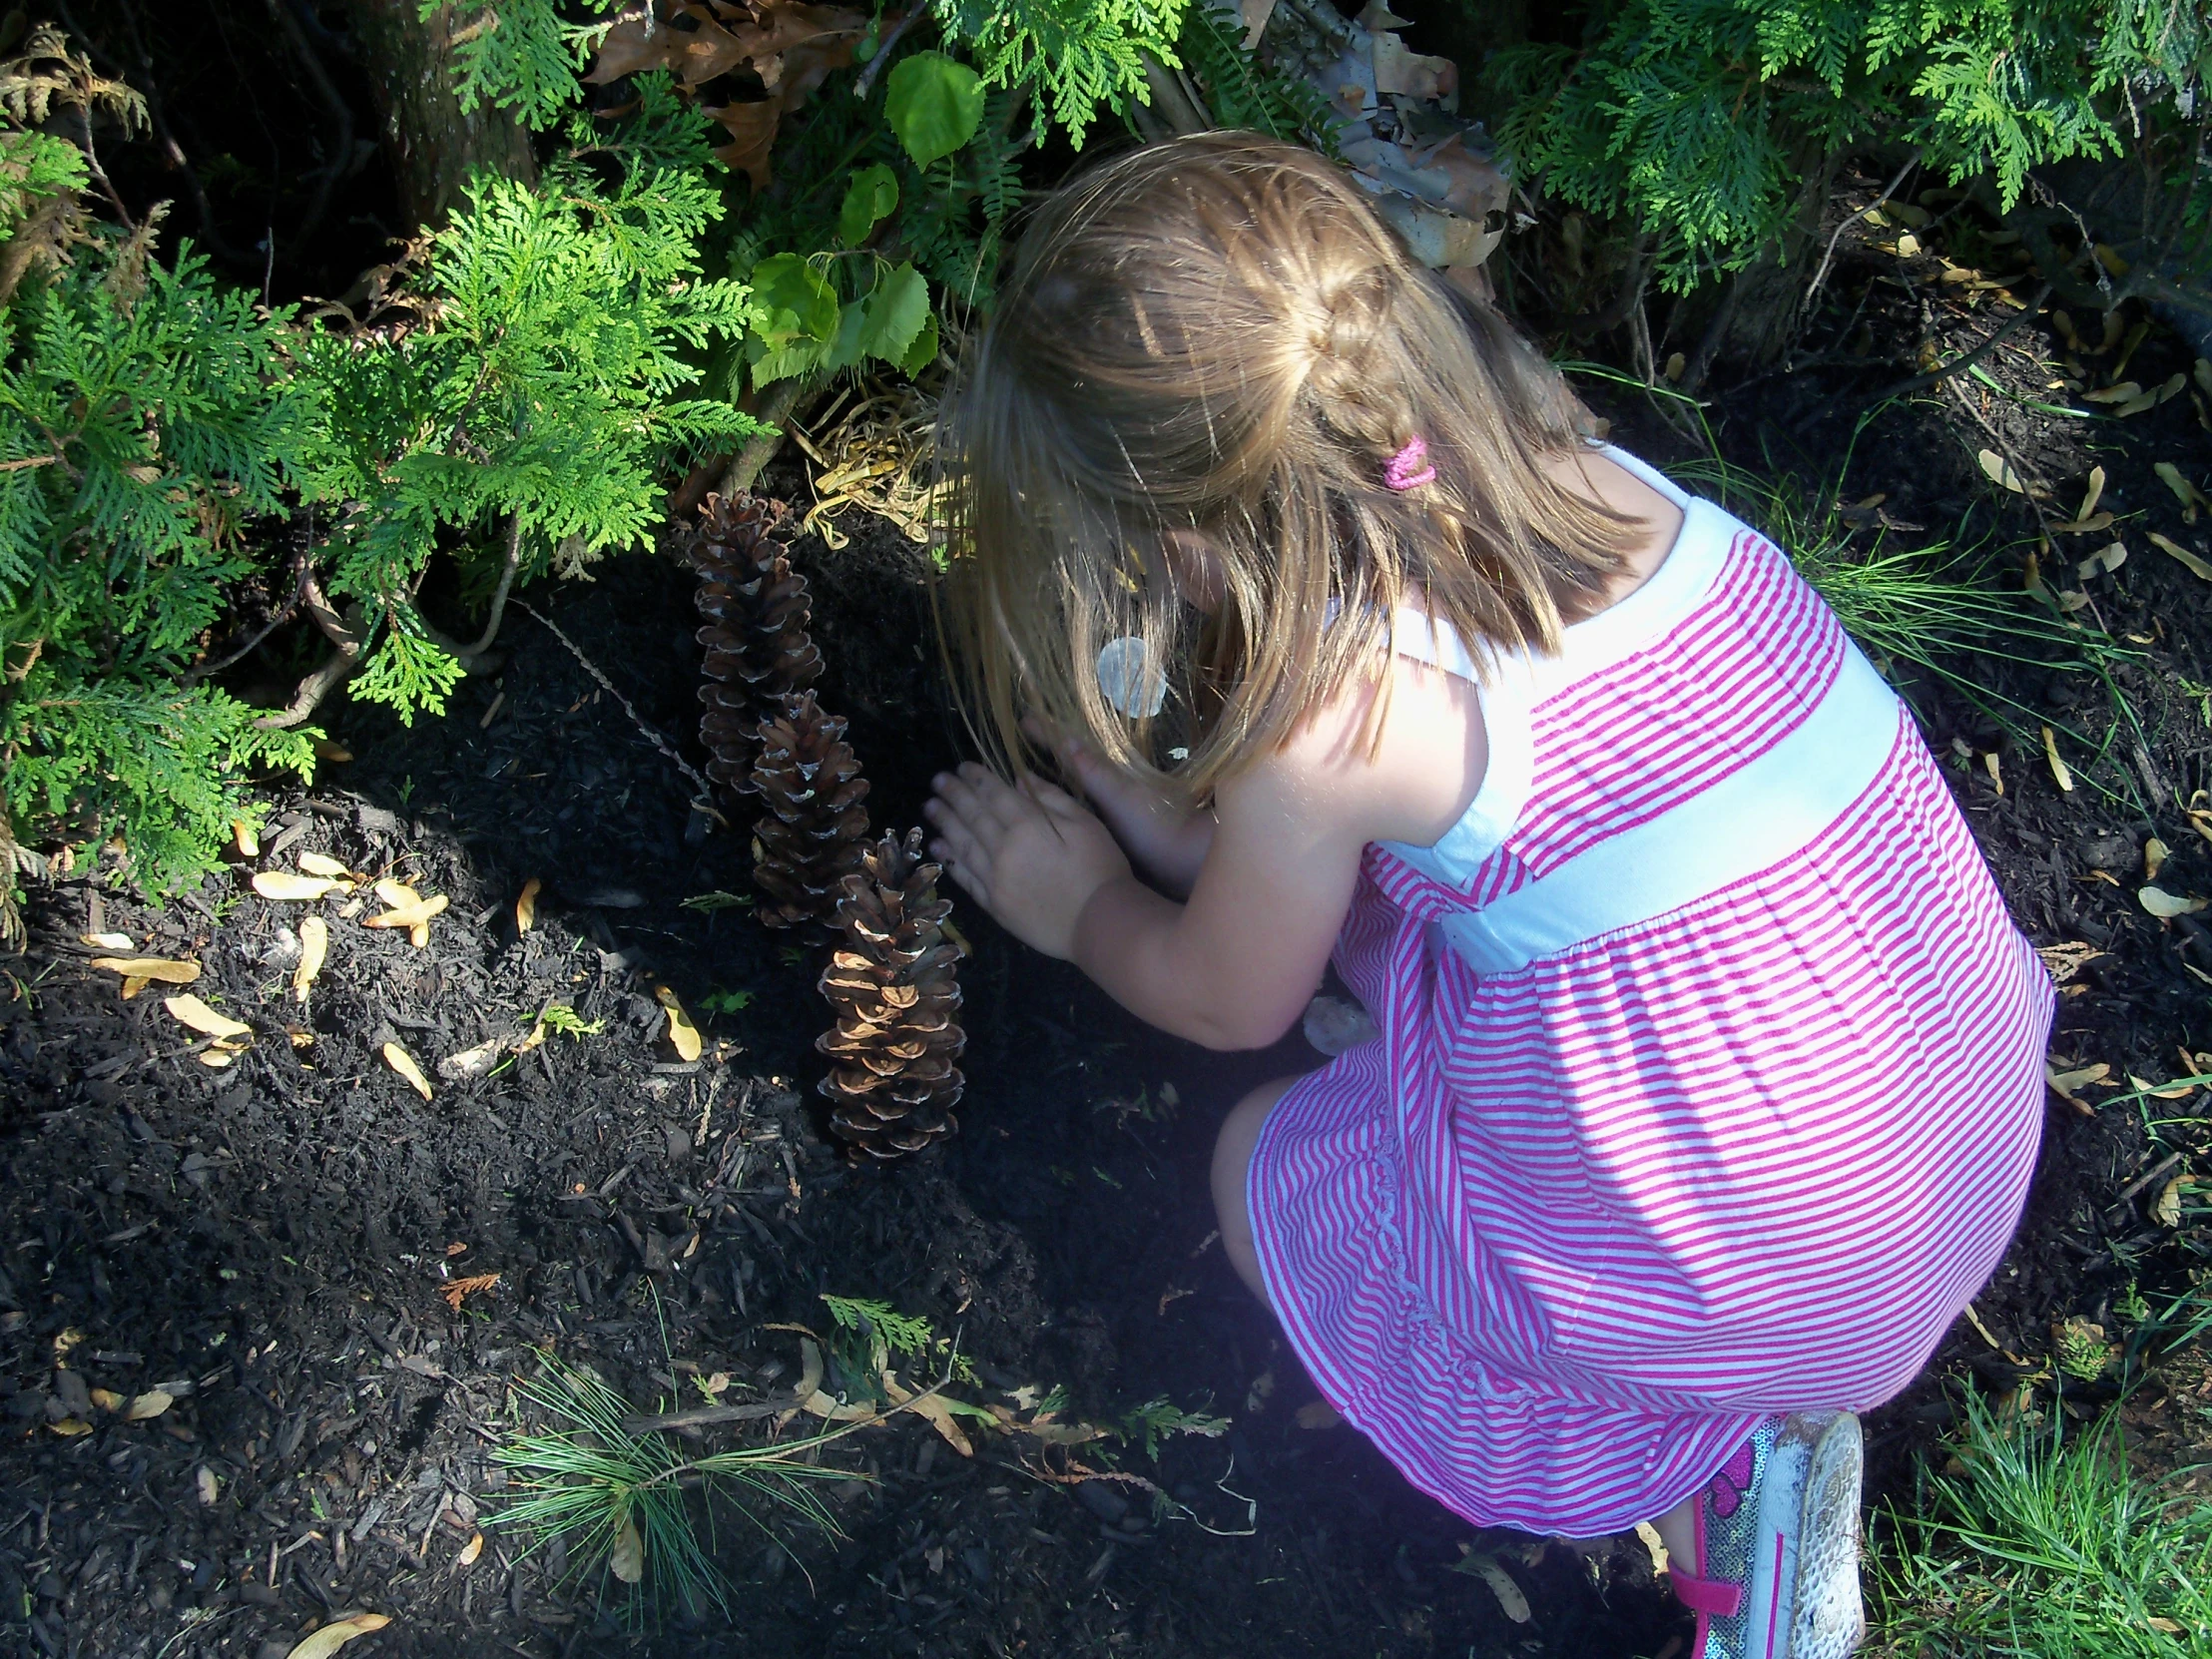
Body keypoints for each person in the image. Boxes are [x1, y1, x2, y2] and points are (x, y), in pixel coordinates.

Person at [921, 133, 2052, 1659]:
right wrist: (1174, 823)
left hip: (1782, 1287)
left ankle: (1723, 1469)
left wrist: (1079, 904)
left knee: (1267, 1164)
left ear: (1186, 540)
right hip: (1952, 1133)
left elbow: (1229, 997)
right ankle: (1750, 1368)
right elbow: (1495, 852)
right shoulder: (1567, 467)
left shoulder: (1333, 722)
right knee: (1484, 930)